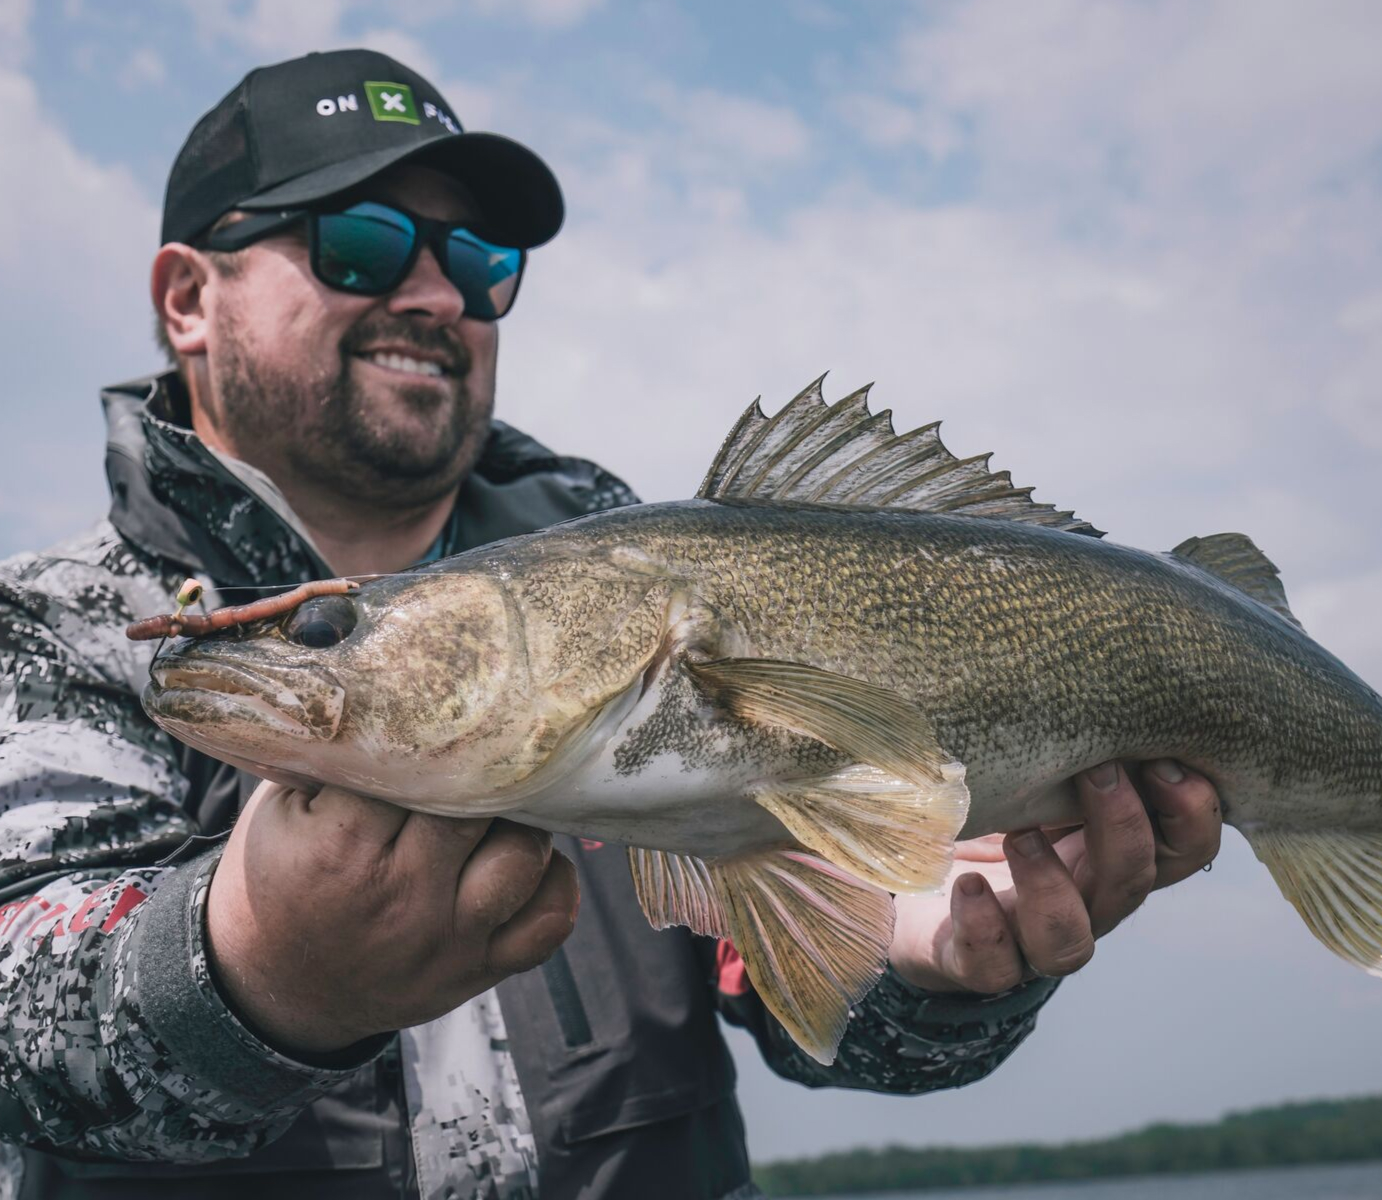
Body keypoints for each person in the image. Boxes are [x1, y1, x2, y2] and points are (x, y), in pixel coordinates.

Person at [0, 49, 1223, 1200]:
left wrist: (930, 970)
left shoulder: (636, 595)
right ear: (187, 299)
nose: (436, 294)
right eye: (361, 244)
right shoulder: (58, 631)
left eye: (482, 262)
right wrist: (256, 971)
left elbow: (802, 1002)